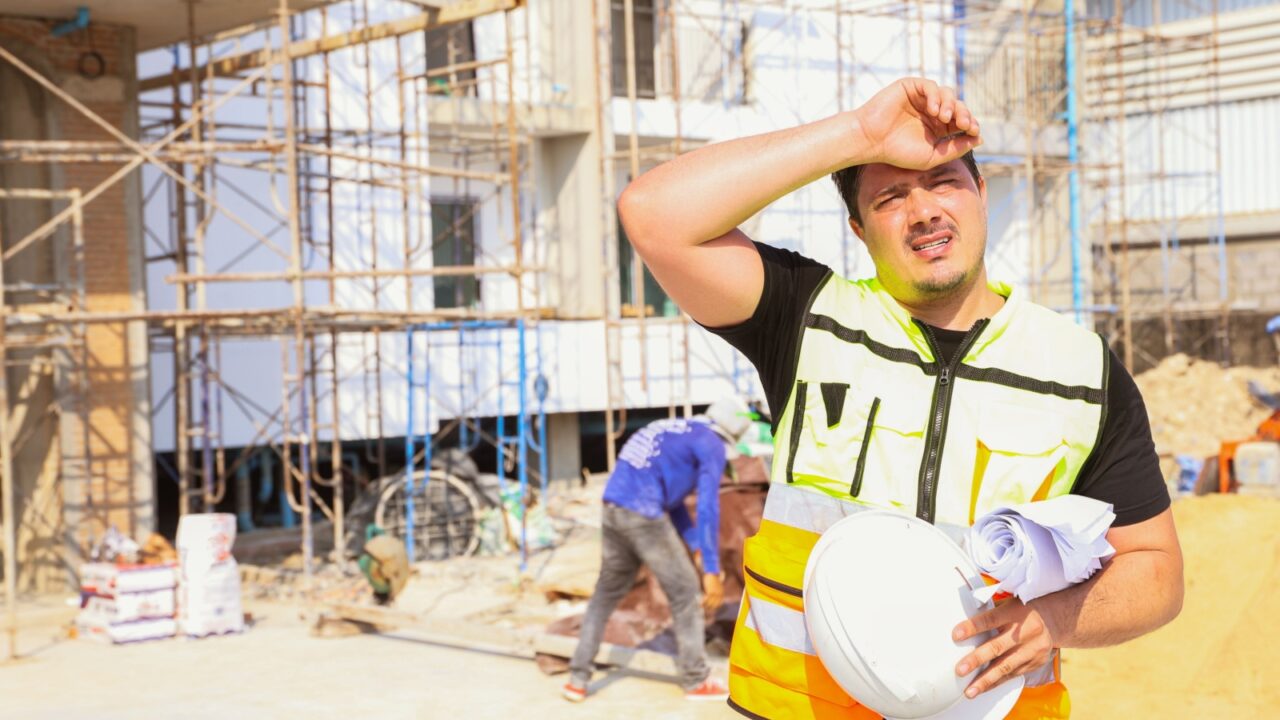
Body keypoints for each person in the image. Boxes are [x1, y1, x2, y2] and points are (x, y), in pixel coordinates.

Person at [617, 77, 1184, 719]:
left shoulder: (1082, 370)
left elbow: (1157, 573)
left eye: (945, 182)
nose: (924, 212)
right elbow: (654, 215)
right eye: (890, 197)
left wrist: (1054, 619)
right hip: (797, 707)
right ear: (859, 229)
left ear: (982, 196)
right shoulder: (808, 318)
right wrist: (857, 134)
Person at [562, 397, 752, 703]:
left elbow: (672, 503)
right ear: (731, 437)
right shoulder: (711, 444)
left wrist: (696, 548)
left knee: (605, 594)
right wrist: (712, 570)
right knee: (687, 592)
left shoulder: (673, 429)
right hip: (644, 515)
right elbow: (707, 507)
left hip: (612, 508)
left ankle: (577, 678)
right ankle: (696, 679)